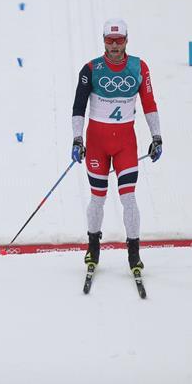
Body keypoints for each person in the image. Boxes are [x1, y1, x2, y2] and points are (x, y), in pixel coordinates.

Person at [70, 19, 162, 273]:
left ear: (126, 40)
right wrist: (78, 138)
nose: (114, 46)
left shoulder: (139, 68)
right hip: (97, 144)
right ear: (103, 41)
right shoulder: (91, 69)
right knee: (97, 198)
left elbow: (149, 103)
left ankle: (134, 253)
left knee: (129, 198)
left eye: (118, 40)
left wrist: (157, 136)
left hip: (125, 145)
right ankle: (93, 248)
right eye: (109, 41)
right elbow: (78, 107)